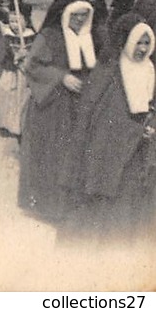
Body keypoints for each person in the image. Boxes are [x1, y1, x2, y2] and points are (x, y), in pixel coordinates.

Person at [62, 13, 156, 240]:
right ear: (125, 42)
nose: (142, 49)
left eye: (147, 43)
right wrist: (136, 131)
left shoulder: (149, 70)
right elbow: (102, 118)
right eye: (138, 42)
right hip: (111, 150)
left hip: (139, 149)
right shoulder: (110, 72)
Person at [18, 0, 96, 224]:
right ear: (64, 14)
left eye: (84, 15)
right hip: (50, 107)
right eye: (76, 15)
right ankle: (47, 207)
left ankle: (66, 206)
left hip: (76, 107)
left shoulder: (87, 39)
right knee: (50, 155)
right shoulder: (49, 36)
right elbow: (32, 67)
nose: (80, 20)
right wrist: (61, 77)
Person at [0, 9, 35, 139]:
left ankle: (21, 126)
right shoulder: (7, 37)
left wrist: (27, 54)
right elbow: (2, 56)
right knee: (6, 93)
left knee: (23, 99)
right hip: (11, 72)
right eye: (11, 21)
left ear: (26, 21)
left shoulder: (32, 36)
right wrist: (15, 56)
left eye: (17, 21)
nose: (14, 25)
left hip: (26, 74)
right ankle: (7, 125)